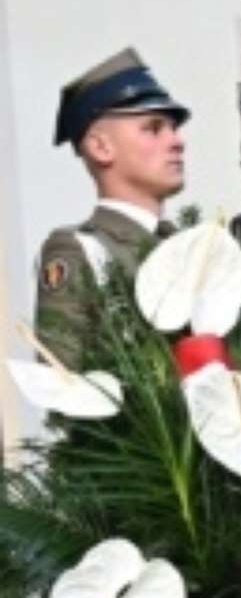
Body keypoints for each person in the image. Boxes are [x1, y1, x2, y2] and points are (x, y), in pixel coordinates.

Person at [35, 48, 189, 368]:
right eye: (154, 128)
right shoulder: (82, 250)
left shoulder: (189, 247)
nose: (177, 141)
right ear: (101, 147)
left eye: (174, 128)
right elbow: (62, 386)